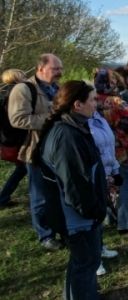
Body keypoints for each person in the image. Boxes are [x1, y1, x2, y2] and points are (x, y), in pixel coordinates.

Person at [35, 80, 107, 300]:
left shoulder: (72, 127)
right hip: (76, 217)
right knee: (85, 261)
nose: (97, 103)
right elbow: (74, 183)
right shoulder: (66, 135)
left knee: (86, 261)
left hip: (78, 214)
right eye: (93, 99)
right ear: (77, 104)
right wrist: (93, 210)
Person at [8, 53, 63, 249]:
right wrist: (50, 118)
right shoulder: (24, 89)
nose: (59, 72)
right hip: (36, 150)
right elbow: (18, 119)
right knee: (40, 195)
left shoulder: (56, 88)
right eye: (55, 69)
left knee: (60, 192)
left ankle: (61, 227)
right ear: (41, 68)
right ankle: (45, 235)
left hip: (58, 149)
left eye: (60, 68)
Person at [102, 96, 128, 234]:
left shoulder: (101, 121)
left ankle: (112, 218)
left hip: (110, 159)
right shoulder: (122, 118)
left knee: (113, 190)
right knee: (125, 190)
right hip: (123, 157)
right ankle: (125, 223)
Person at [88, 109, 121, 276]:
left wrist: (114, 170)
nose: (96, 102)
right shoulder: (79, 124)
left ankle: (100, 248)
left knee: (101, 215)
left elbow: (109, 146)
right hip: (92, 176)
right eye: (92, 99)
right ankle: (93, 260)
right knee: (92, 220)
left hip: (105, 172)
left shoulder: (99, 118)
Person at [0, 69, 28, 207]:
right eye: (22, 74)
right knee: (26, 168)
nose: (25, 77)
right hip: (18, 139)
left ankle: (3, 198)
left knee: (22, 169)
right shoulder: (16, 93)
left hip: (11, 139)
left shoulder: (6, 92)